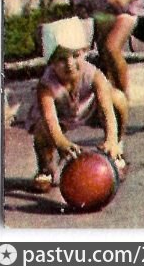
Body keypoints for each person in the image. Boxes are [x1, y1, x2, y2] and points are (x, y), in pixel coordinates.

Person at [24, 45, 128, 193]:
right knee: (42, 129)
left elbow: (107, 109)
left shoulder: (94, 74)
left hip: (87, 110)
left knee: (118, 98)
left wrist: (111, 139)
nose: (70, 63)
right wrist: (62, 143)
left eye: (75, 55)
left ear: (85, 52)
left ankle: (116, 151)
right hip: (60, 118)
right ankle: (45, 168)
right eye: (61, 59)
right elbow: (50, 119)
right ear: (51, 62)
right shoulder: (46, 85)